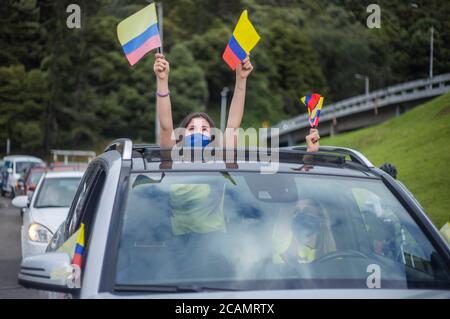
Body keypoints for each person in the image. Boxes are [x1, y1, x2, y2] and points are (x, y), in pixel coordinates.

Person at [153, 53, 253, 148]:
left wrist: (241, 79)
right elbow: (166, 127)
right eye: (191, 128)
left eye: (204, 129)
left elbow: (233, 126)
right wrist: (162, 80)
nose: (198, 133)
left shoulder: (222, 157)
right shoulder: (171, 155)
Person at [272, 199, 336, 264]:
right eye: (296, 211)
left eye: (307, 211)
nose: (301, 215)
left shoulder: (334, 257)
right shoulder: (281, 257)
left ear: (321, 220)